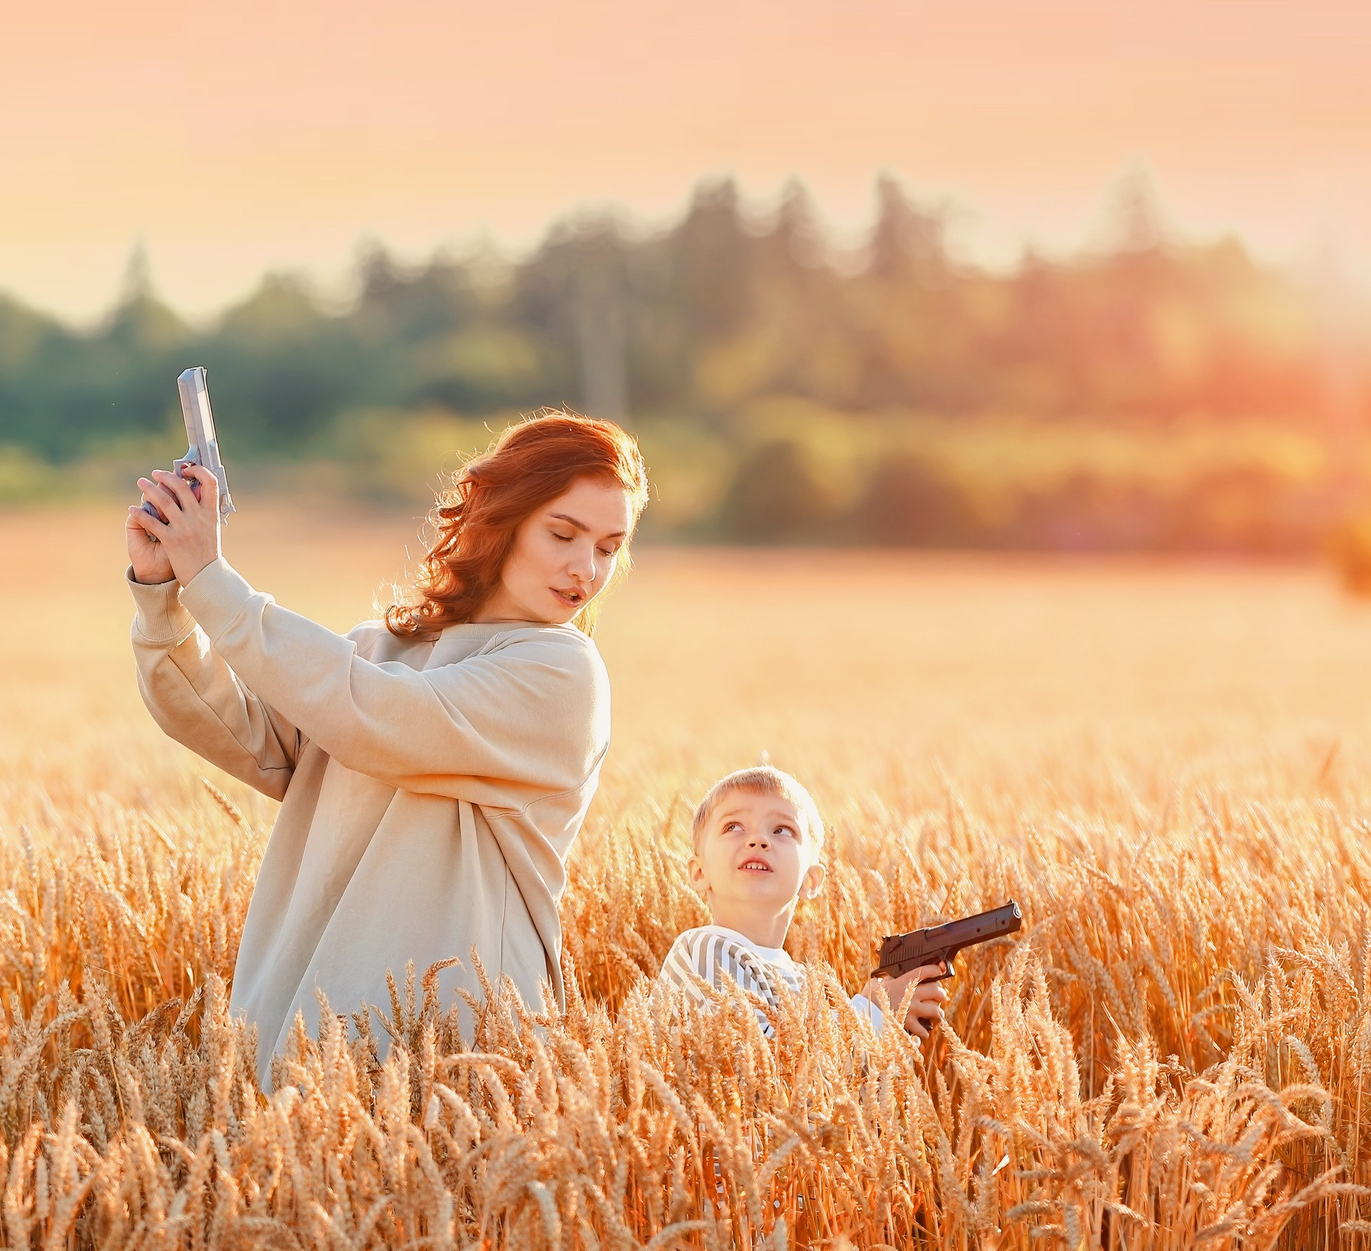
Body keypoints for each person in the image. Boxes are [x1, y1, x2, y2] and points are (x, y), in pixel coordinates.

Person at [125, 410, 648, 1085]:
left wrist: (213, 579)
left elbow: (371, 716)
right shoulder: (381, 648)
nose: (586, 567)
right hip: (310, 1027)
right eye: (563, 533)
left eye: (609, 546)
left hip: (460, 1050)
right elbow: (236, 728)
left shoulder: (561, 673)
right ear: (502, 516)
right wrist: (163, 594)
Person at [662, 765, 951, 1041]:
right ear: (699, 873)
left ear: (810, 880)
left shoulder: (803, 980)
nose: (759, 839)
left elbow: (822, 1079)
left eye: (782, 830)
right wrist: (870, 1013)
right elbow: (753, 1062)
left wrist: (891, 1026)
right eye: (734, 826)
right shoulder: (703, 949)